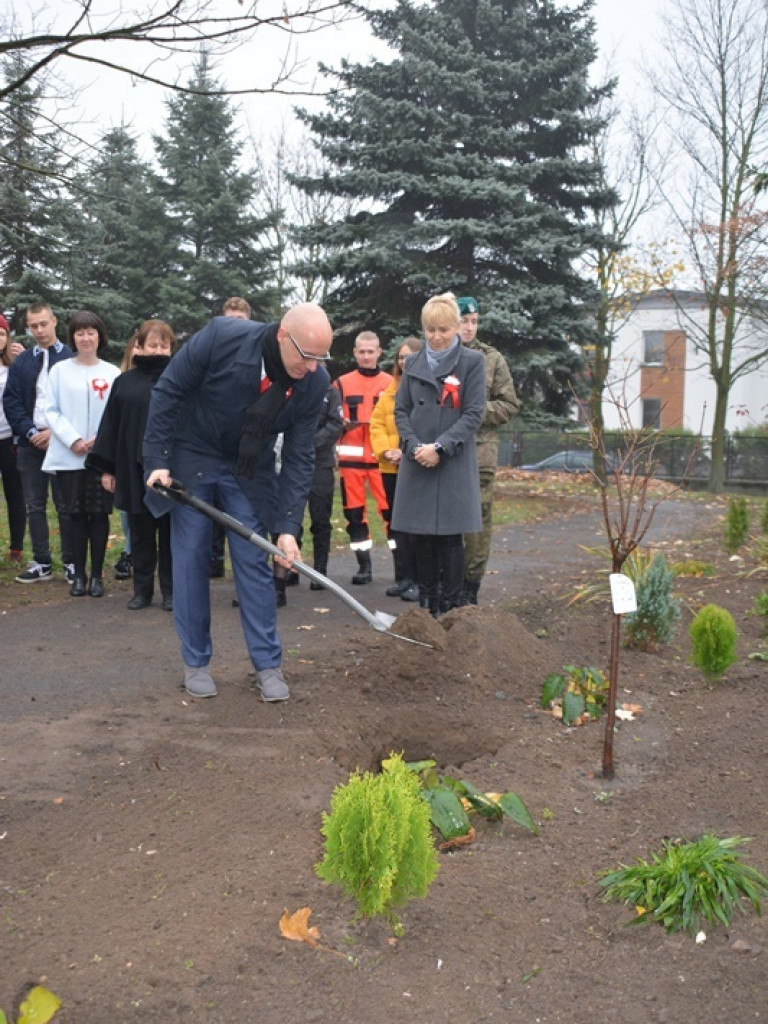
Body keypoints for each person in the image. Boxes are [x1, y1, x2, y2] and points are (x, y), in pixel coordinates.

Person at [143, 303, 333, 702]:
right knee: (192, 553)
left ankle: (267, 664)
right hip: (195, 452)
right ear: (283, 335)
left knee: (254, 558)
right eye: (306, 355)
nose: (313, 366)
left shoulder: (314, 383)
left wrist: (287, 527)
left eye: (321, 357)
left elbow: (300, 456)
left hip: (249, 465)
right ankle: (196, 661)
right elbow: (168, 391)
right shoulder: (221, 338)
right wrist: (158, 461)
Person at [391, 292, 485, 616]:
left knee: (449, 537)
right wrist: (415, 446)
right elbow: (401, 410)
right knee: (423, 538)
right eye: (430, 330)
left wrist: (440, 447)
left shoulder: (472, 363)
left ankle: (452, 606)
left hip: (451, 462)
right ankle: (427, 604)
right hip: (418, 460)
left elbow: (473, 414)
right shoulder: (414, 362)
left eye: (443, 329)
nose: (436, 336)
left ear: (456, 327)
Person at [87, 320, 177, 611]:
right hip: (132, 467)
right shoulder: (124, 382)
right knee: (139, 532)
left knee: (171, 533)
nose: (159, 350)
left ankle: (172, 592)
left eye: (164, 345)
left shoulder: (180, 380)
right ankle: (142, 591)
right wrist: (107, 468)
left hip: (170, 470)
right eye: (153, 344)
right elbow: (111, 427)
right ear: (139, 345)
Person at [41, 312, 120, 596]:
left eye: (91, 332)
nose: (86, 338)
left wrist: (101, 441)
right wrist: (73, 439)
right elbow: (51, 410)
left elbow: (115, 413)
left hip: (100, 457)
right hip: (69, 455)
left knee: (99, 515)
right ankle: (79, 576)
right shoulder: (60, 372)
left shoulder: (112, 373)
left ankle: (97, 576)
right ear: (72, 337)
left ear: (100, 335)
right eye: (80, 333)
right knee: (74, 515)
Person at [2, 302, 76, 583]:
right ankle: (42, 561)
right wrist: (31, 432)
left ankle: (71, 560)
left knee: (64, 504)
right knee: (34, 504)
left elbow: (74, 404)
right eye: (34, 326)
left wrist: (55, 433)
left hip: (62, 442)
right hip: (29, 444)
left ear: (54, 321)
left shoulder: (69, 358)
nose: (39, 330)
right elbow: (11, 401)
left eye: (44, 323)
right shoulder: (22, 361)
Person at [457, 296, 519, 604]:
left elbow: (509, 404)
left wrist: (474, 412)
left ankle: (470, 586)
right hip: (445, 452)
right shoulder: (439, 356)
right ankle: (442, 583)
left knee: (477, 520)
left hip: (478, 452)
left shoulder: (491, 359)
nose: (469, 327)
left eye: (474, 322)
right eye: (463, 321)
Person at [334, 331, 392, 584]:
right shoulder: (341, 384)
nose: (367, 356)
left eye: (371, 352)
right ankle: (364, 567)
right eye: (362, 352)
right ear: (355, 353)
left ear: (379, 352)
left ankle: (402, 567)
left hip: (384, 460)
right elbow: (331, 418)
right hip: (351, 461)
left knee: (391, 513)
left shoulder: (392, 383)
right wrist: (341, 426)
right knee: (354, 515)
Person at [369, 337, 423, 602]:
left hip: (414, 467)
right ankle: (403, 577)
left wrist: (407, 452)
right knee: (397, 525)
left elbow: (425, 426)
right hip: (390, 468)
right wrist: (386, 450)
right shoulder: (391, 389)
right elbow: (377, 423)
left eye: (409, 356)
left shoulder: (425, 389)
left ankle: (419, 580)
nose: (404, 361)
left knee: (414, 526)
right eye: (401, 357)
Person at [210, 297, 253, 579]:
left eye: (240, 322)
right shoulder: (210, 357)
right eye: (229, 322)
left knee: (243, 519)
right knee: (212, 514)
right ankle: (213, 563)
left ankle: (244, 574)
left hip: (246, 453)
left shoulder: (260, 358)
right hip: (213, 449)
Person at [307, 377, 344, 590]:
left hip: (320, 462)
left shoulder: (330, 393)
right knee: (288, 519)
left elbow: (335, 424)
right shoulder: (291, 387)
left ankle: (320, 570)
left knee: (320, 518)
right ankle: (291, 568)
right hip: (292, 462)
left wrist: (310, 443)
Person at [0, 314, 26, 564]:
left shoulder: (14, 366)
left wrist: (24, 357)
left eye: (1, 333)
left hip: (9, 439)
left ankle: (16, 547)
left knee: (15, 494)